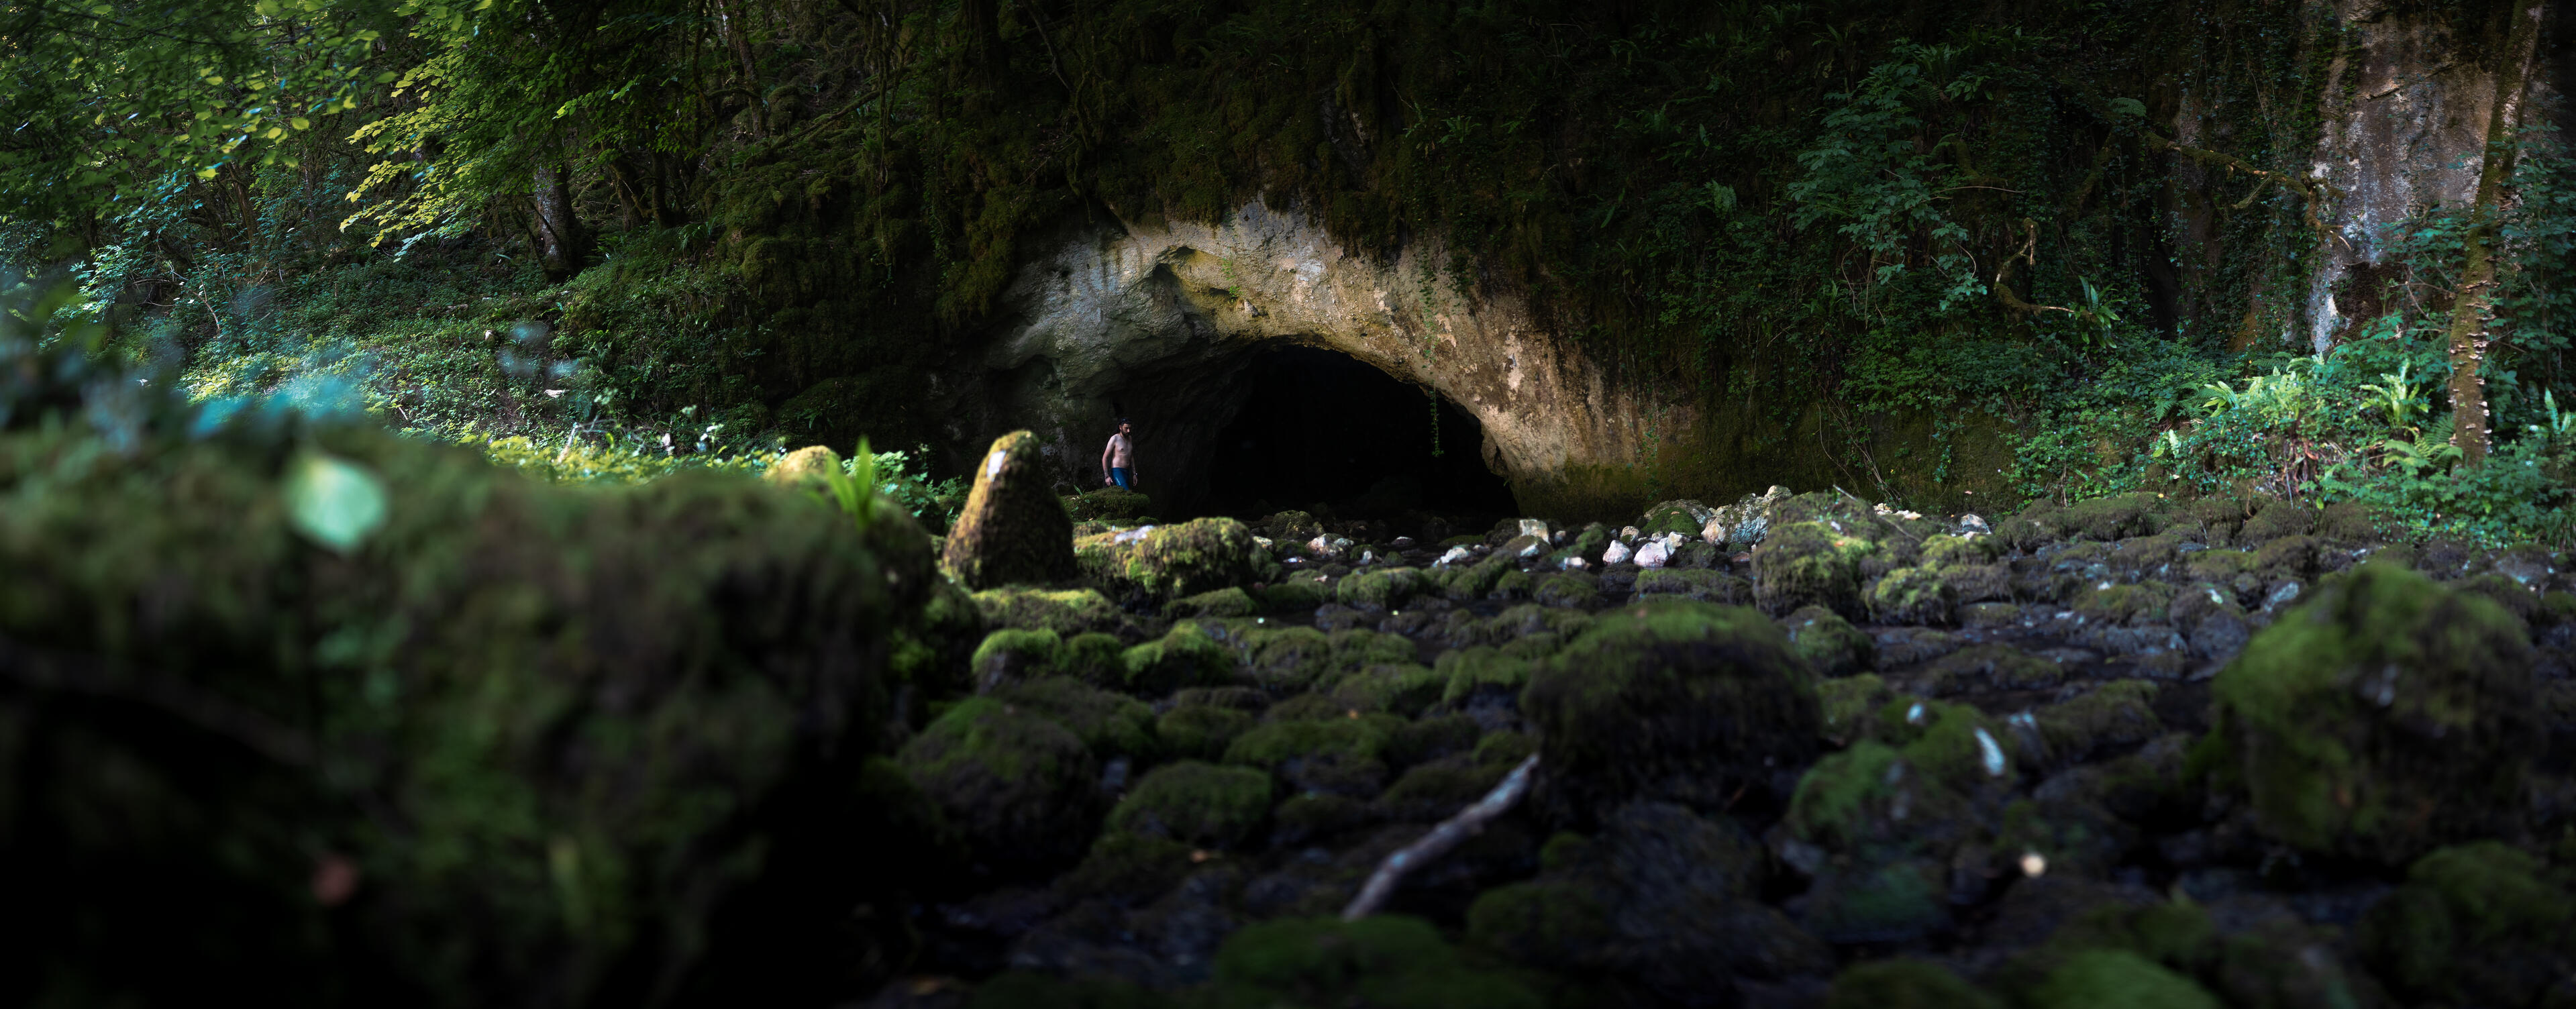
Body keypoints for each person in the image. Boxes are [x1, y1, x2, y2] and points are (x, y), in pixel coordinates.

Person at [1100, 418, 1138, 490]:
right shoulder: (1114, 438)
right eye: (1126, 428)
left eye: (1130, 428)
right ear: (1120, 427)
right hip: (1117, 471)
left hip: (1127, 471)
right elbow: (1105, 457)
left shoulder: (1130, 438)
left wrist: (1134, 474)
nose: (1128, 431)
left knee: (1123, 494)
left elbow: (1131, 457)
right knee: (1126, 492)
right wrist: (1106, 476)